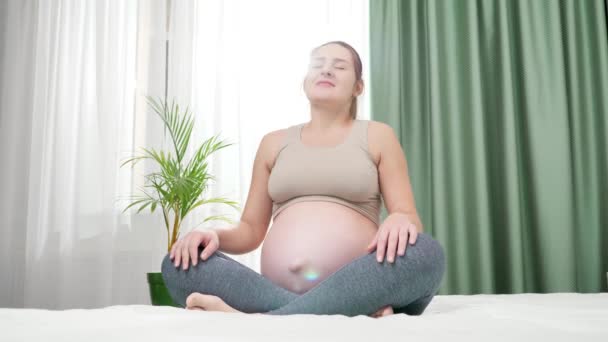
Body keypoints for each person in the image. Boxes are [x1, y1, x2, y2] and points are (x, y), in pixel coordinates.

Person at [161, 41, 446, 317]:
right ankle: (330, 311)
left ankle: (264, 318)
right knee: (179, 264)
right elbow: (250, 230)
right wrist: (213, 235)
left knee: (427, 254)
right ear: (305, 81)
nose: (326, 70)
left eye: (339, 66)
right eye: (318, 64)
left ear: (358, 86)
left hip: (361, 283)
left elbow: (407, 215)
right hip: (274, 288)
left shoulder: (378, 135)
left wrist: (400, 218)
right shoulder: (273, 143)